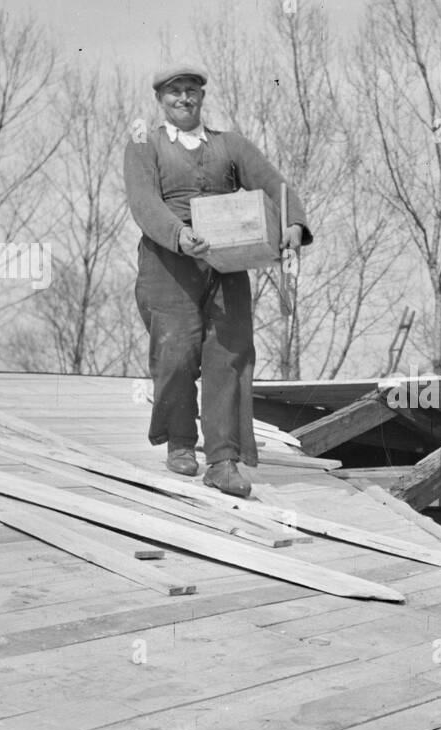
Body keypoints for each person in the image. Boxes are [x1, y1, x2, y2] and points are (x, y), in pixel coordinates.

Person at [123, 63, 311, 496]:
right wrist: (178, 234)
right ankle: (180, 441)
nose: (184, 99)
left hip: (227, 262)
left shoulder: (231, 145)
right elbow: (143, 202)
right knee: (175, 353)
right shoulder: (144, 146)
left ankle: (224, 459)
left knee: (229, 356)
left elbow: (274, 186)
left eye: (191, 91)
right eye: (174, 92)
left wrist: (293, 224)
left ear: (202, 97)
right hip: (168, 263)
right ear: (160, 100)